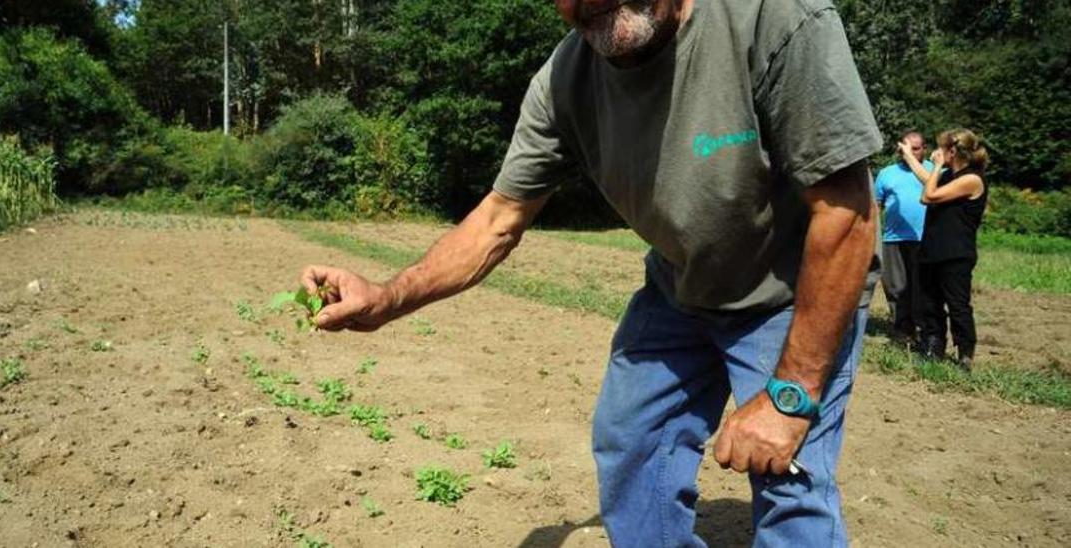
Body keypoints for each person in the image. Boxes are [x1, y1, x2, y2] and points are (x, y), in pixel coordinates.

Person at [298, 1, 882, 545]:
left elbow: (847, 213)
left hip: (793, 288)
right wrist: (385, 298)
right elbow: (498, 220)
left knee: (790, 480)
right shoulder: (564, 81)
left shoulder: (774, 19)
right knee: (631, 443)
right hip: (681, 287)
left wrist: (789, 397)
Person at [900, 129, 989, 370]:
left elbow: (928, 195)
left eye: (941, 148)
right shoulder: (951, 175)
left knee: (957, 305)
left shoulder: (972, 179)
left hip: (956, 253)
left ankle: (965, 355)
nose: (937, 153)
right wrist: (909, 156)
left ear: (953, 151)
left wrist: (936, 167)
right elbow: (925, 178)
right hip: (932, 250)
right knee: (929, 303)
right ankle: (933, 347)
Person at [875, 132, 932, 345]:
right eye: (906, 148)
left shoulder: (934, 171)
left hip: (924, 238)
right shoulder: (887, 173)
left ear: (924, 148)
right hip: (893, 238)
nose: (910, 152)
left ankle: (924, 329)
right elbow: (876, 206)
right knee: (895, 285)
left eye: (916, 148)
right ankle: (902, 331)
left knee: (921, 286)